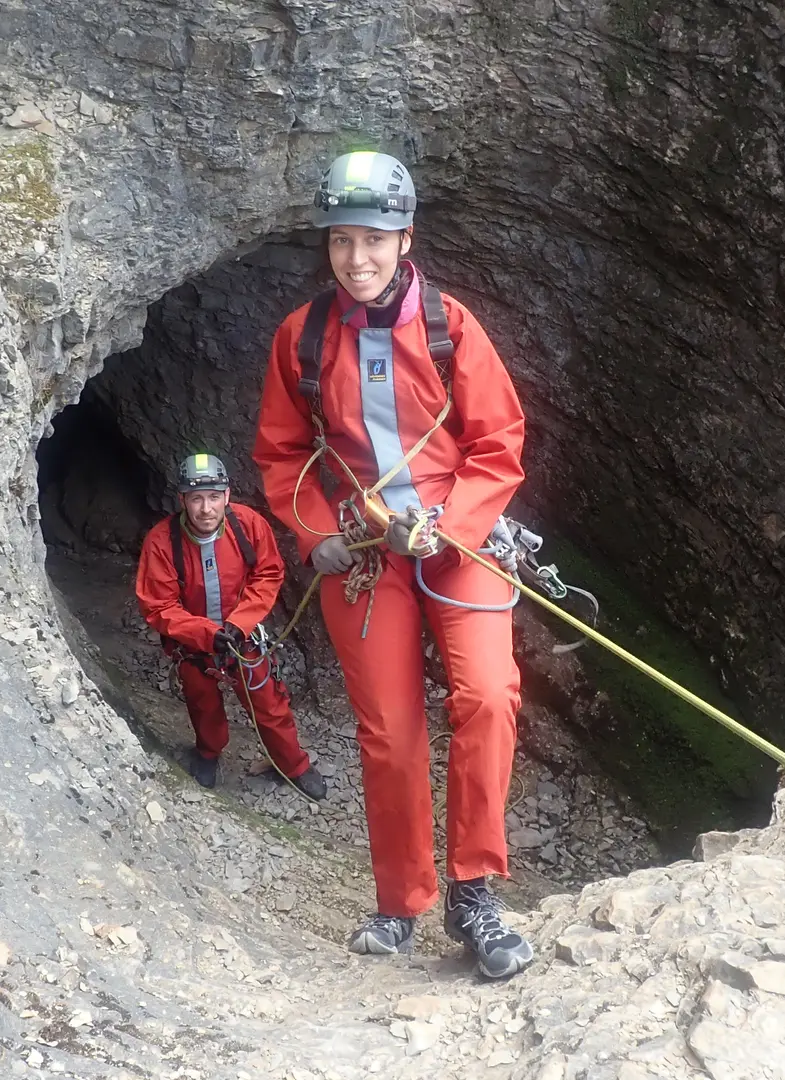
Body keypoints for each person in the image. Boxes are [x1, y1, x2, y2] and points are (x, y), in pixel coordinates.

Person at [253, 150, 534, 978]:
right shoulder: (303, 338)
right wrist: (315, 532)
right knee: (390, 728)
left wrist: (451, 525)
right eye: (342, 240)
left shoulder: (450, 328)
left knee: (488, 696)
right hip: (362, 548)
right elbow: (281, 452)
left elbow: (498, 442)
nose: (357, 258)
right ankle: (401, 900)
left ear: (405, 239)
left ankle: (474, 893)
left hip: (456, 537)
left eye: (373, 239)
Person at [135, 453, 328, 800]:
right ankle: (208, 752)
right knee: (202, 703)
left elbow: (268, 573)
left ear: (226, 495)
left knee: (269, 703)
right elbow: (158, 605)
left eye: (213, 497)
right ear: (182, 500)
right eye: (196, 498)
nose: (206, 509)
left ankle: (293, 765)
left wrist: (240, 623)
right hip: (194, 645)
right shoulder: (162, 542)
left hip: (244, 637)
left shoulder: (248, 525)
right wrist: (206, 635)